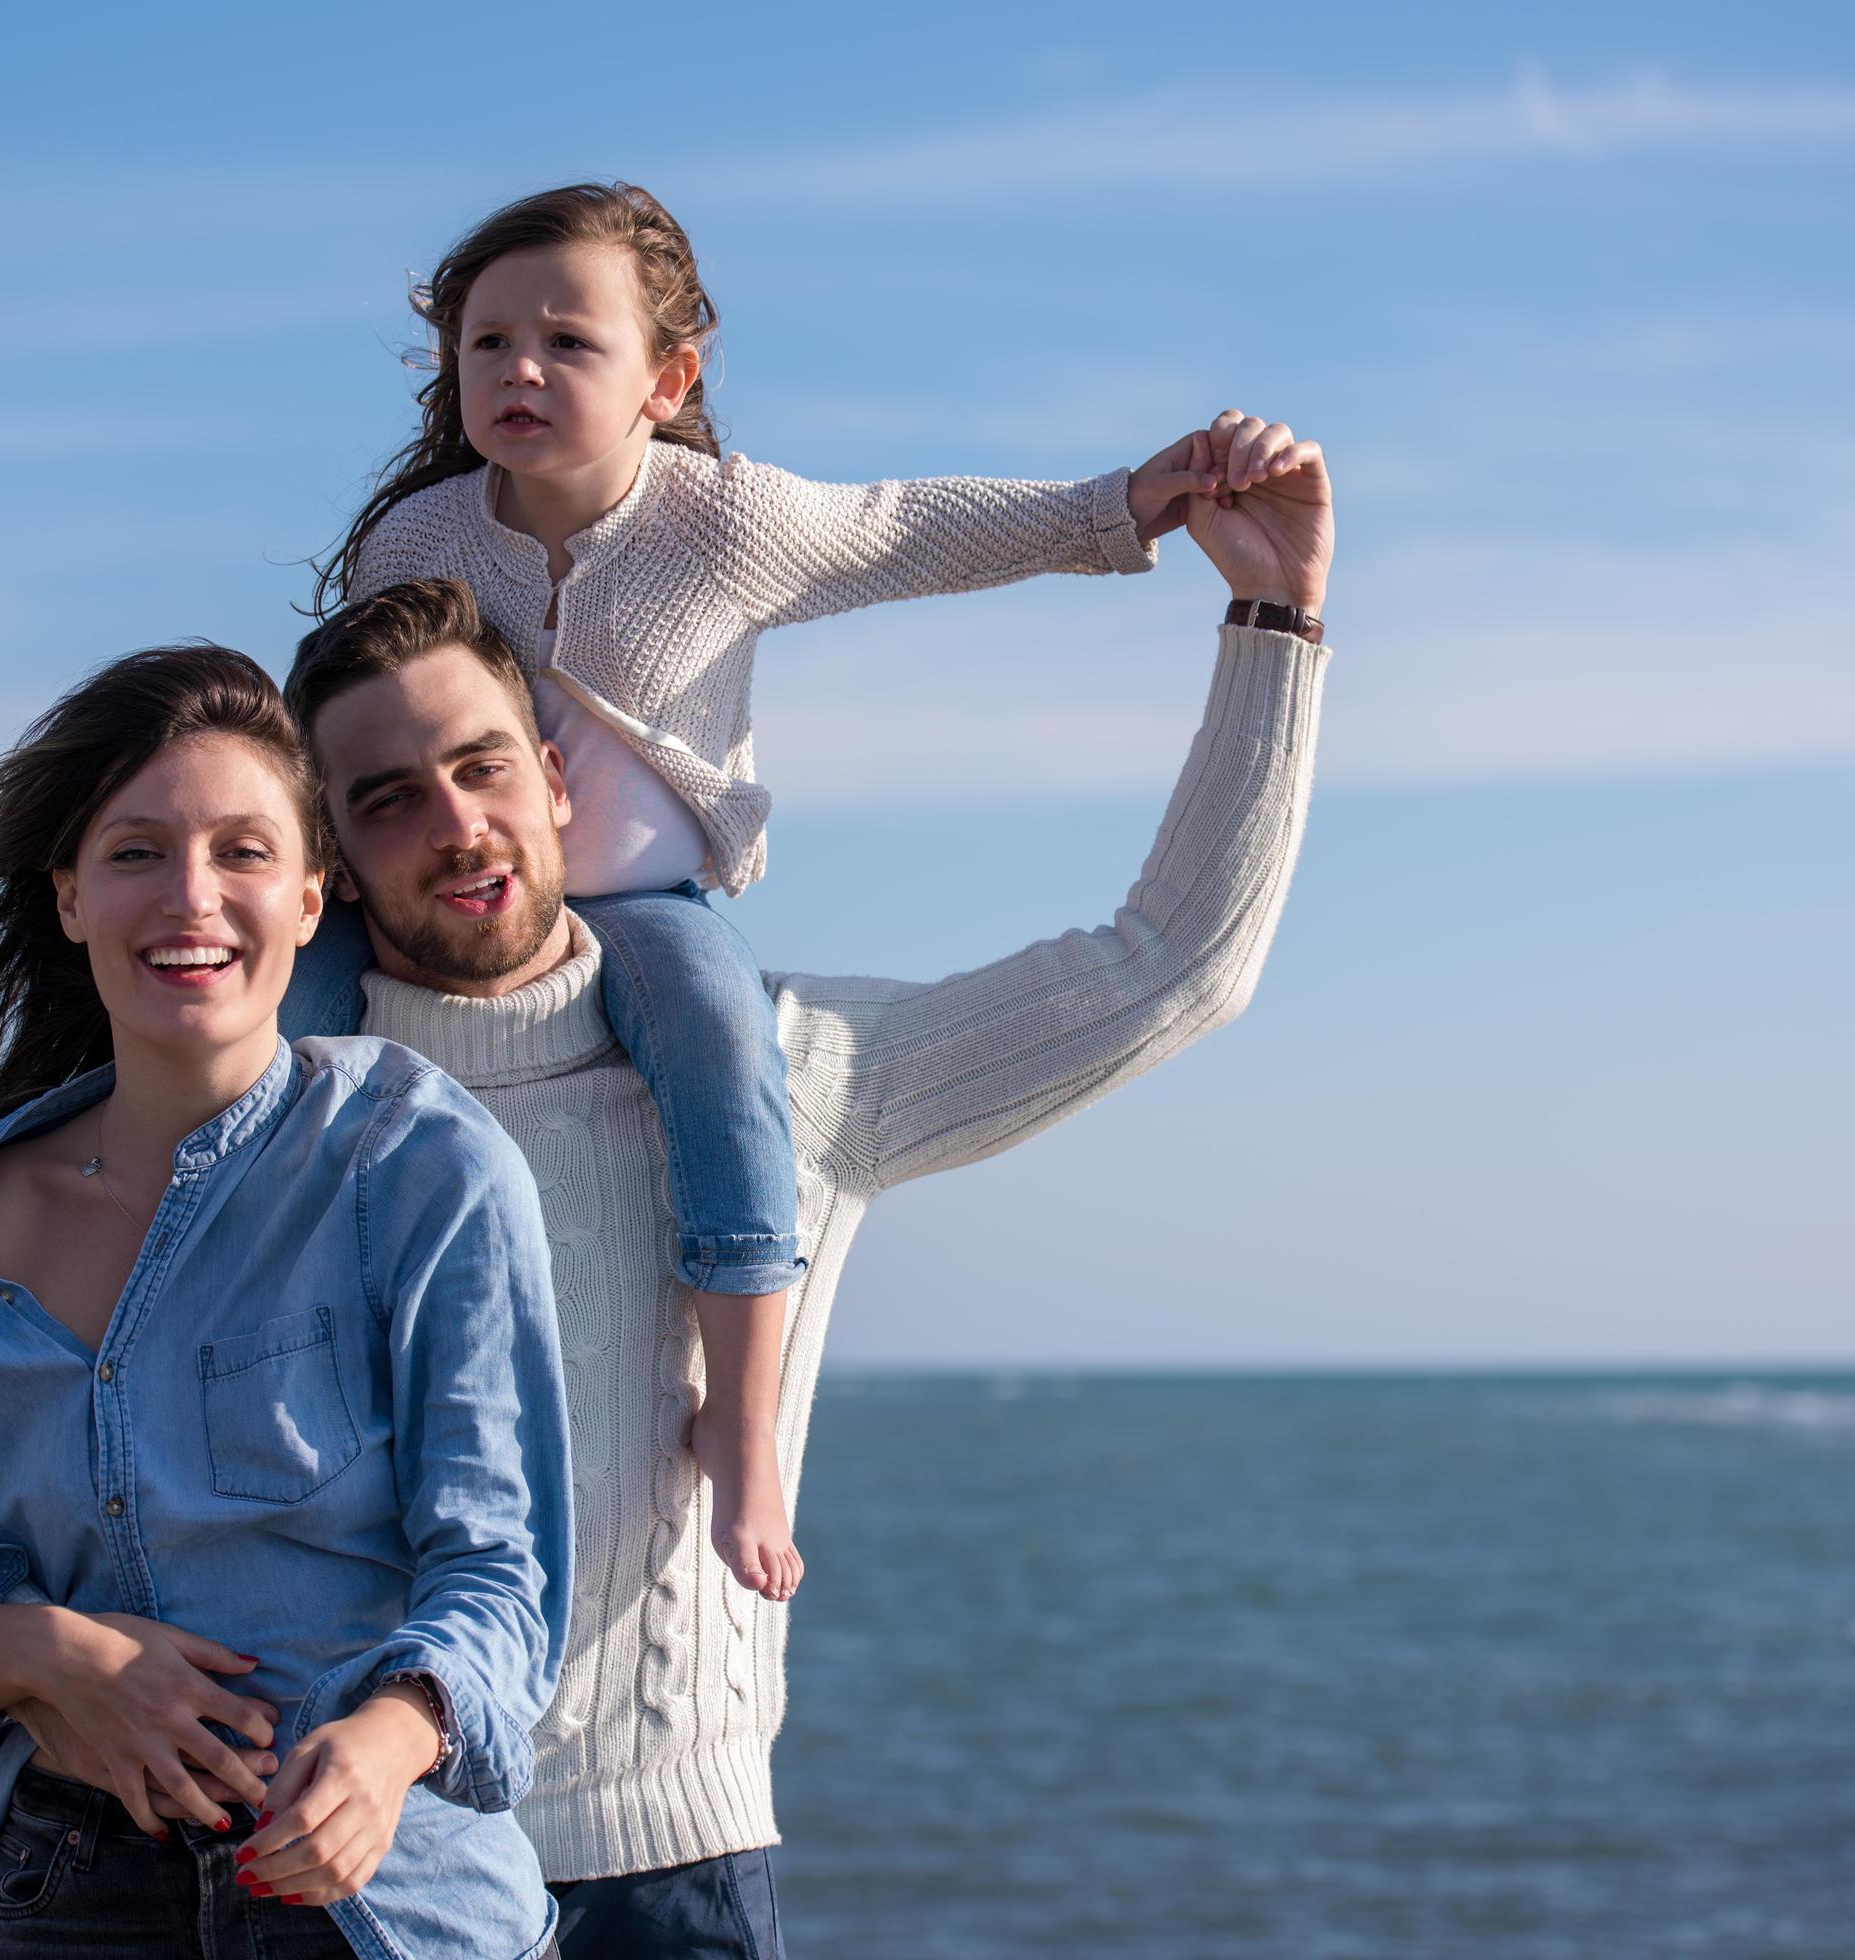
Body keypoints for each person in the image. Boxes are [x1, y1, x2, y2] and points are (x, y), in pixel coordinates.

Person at [280, 411, 1335, 1957]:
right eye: (385, 800)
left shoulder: (786, 1073)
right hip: (359, 1870)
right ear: (334, 855)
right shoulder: (276, 1108)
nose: (453, 826)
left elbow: (1172, 968)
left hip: (672, 1872)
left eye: (480, 766)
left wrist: (1275, 619)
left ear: (560, 777)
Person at [288, 180, 1298, 1609]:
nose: (519, 369)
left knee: (724, 1061)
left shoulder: (722, 519)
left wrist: (1122, 507)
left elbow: (911, 530)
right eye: (486, 343)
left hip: (642, 904)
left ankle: (744, 1418)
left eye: (568, 342)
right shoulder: (417, 543)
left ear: (667, 378)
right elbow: (342, 715)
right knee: (286, 1027)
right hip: (443, 909)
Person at [0, 646, 572, 1960]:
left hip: (387, 1903)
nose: (190, 898)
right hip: (58, 1893)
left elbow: (502, 1565)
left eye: (242, 851)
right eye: (137, 852)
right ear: (69, 895)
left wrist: (388, 1740)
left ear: (313, 897)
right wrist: (39, 1652)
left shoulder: (415, 1164)